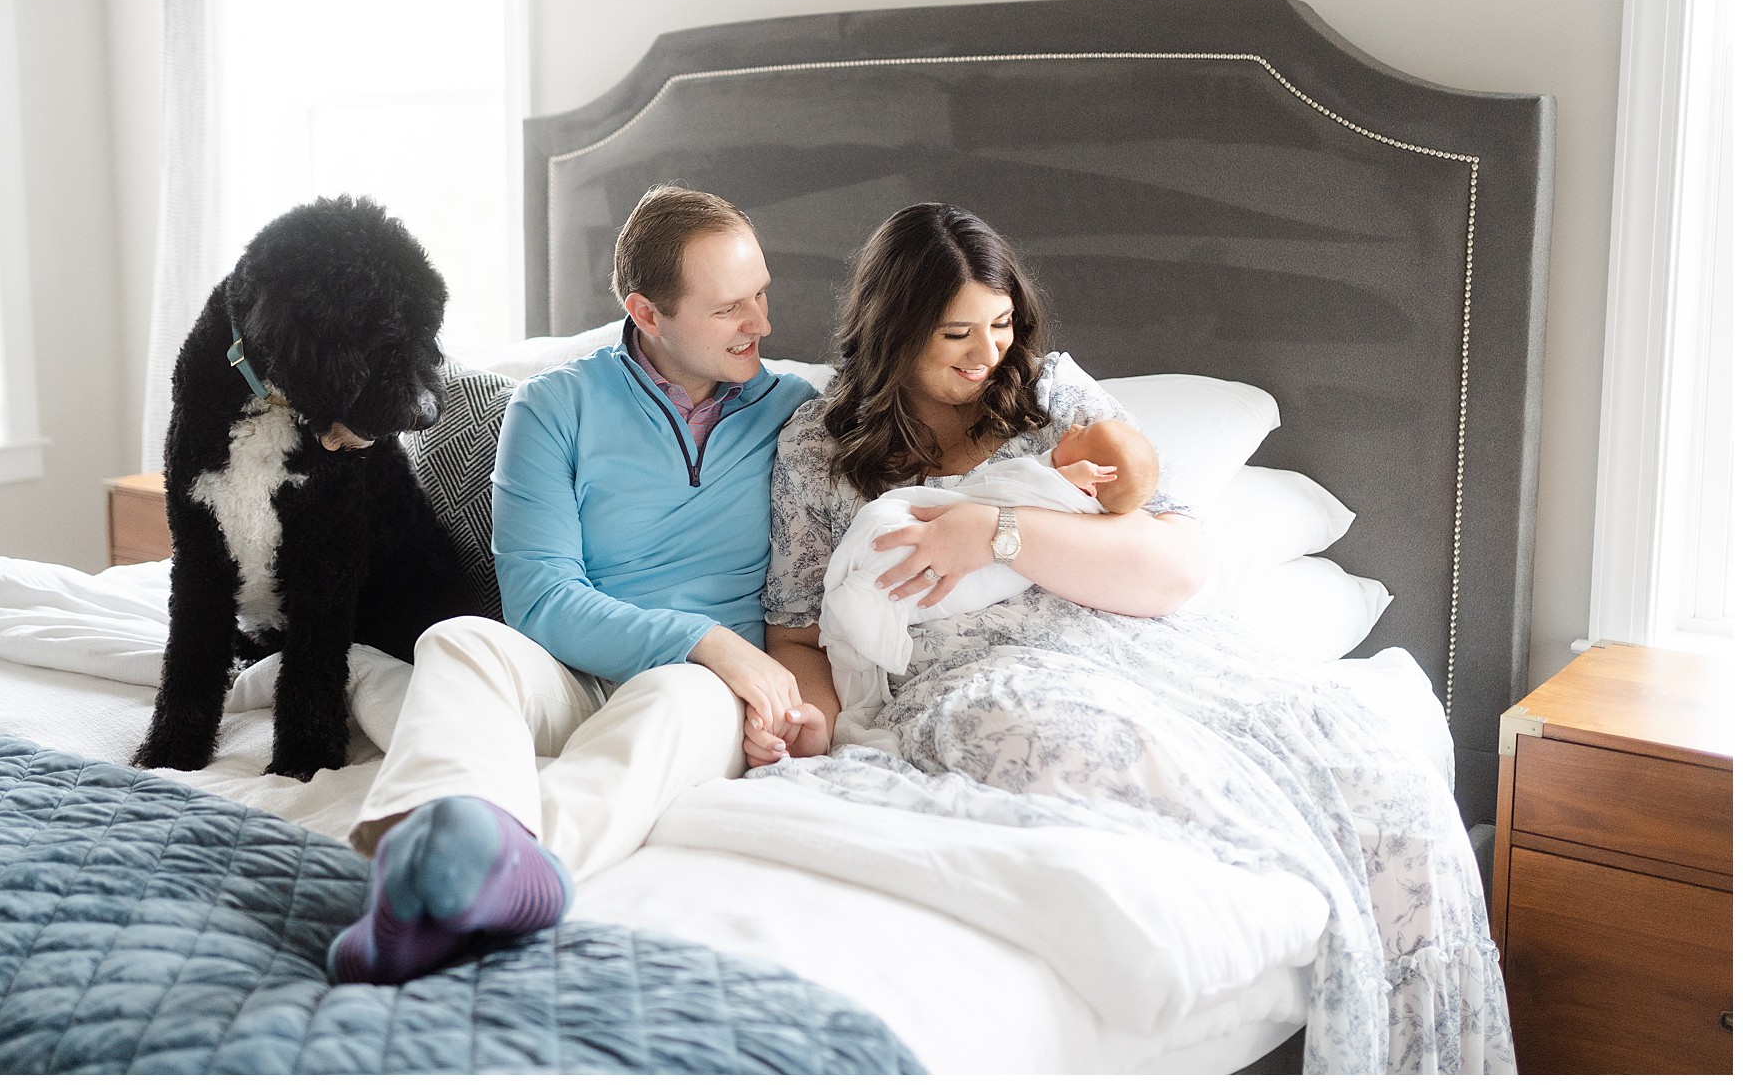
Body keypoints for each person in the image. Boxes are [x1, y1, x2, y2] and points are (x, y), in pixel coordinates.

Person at [755, 203, 1515, 1072]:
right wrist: (809, 731)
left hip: (1143, 644)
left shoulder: (1051, 400)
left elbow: (1177, 563)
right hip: (984, 676)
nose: (986, 354)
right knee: (1096, 752)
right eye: (954, 333)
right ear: (892, 329)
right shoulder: (819, 447)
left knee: (1387, 787)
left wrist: (997, 531)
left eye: (1001, 325)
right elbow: (799, 634)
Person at [328, 185, 818, 985]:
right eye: (731, 307)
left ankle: (486, 876)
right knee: (461, 641)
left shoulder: (798, 414)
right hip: (580, 672)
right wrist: (708, 637)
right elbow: (542, 602)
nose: (761, 324)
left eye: (761, 294)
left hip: (702, 695)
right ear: (647, 312)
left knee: (678, 695)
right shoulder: (553, 406)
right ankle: (427, 862)